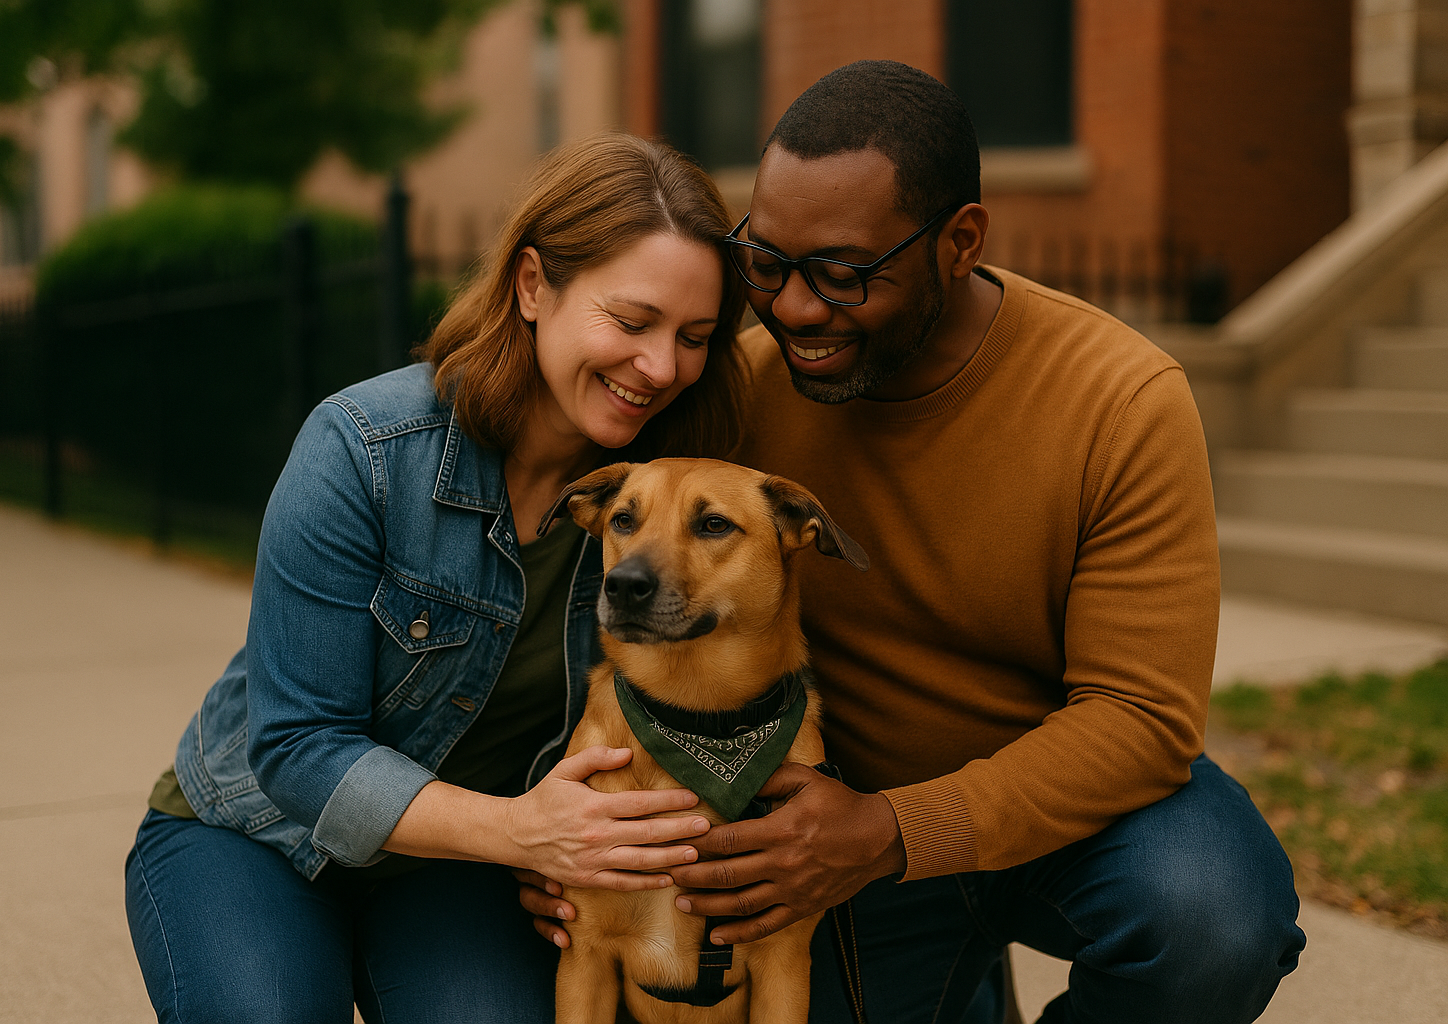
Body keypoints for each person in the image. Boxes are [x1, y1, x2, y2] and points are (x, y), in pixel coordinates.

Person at [519, 61, 1306, 1024]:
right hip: (811, 829)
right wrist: (558, 836)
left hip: (1054, 814)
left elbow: (1142, 720)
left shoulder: (1118, 400)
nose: (797, 308)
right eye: (766, 263)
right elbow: (606, 573)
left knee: (1212, 917)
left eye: (843, 274)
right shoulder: (736, 385)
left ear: (959, 243)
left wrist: (895, 830)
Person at [123, 132, 749, 1024]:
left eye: (694, 337)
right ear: (533, 286)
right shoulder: (365, 450)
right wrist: (527, 833)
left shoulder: (677, 510)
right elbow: (298, 746)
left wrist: (576, 857)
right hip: (253, 836)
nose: (661, 368)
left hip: (457, 875)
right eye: (632, 321)